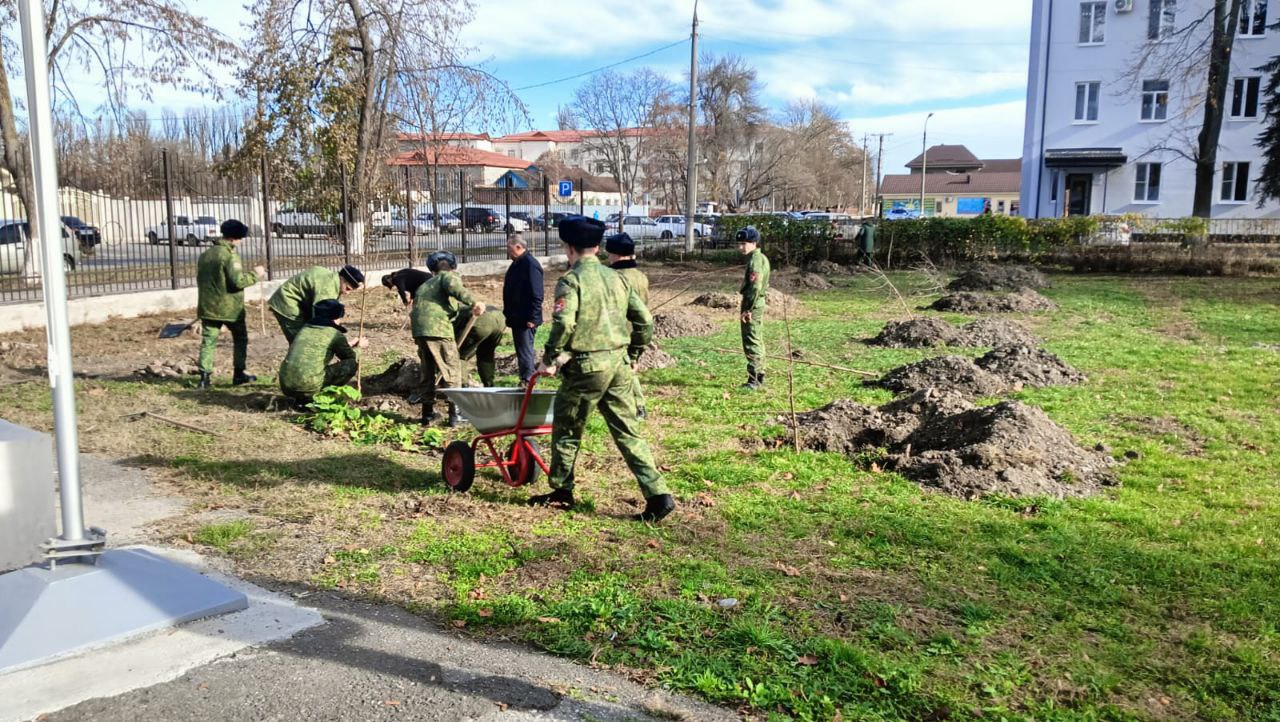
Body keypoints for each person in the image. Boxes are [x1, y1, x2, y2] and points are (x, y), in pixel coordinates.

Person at [530, 216, 675, 523]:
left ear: (568, 247)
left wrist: (550, 358)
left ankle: (561, 491)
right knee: (628, 432)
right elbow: (645, 322)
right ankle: (658, 494)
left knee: (567, 429)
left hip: (586, 367)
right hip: (619, 365)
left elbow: (565, 322)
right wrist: (633, 353)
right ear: (597, 247)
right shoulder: (618, 278)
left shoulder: (571, 281)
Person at [411, 251, 485, 426]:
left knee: (428, 371)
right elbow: (454, 287)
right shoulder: (446, 277)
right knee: (452, 368)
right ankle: (456, 415)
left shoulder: (426, 285)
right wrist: (475, 302)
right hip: (438, 329)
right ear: (451, 266)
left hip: (420, 330)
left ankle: (427, 415)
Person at [196, 219, 265, 389]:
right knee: (240, 338)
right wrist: (256, 274)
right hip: (230, 308)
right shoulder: (229, 255)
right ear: (236, 237)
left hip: (208, 306)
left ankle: (204, 378)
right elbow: (237, 282)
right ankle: (239, 373)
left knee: (208, 340)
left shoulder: (206, 254)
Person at [278, 299, 368, 405]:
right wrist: (359, 347)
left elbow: (319, 345)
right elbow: (349, 356)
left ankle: (300, 400)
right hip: (310, 386)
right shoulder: (334, 334)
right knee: (351, 364)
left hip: (286, 385)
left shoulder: (305, 329)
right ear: (335, 318)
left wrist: (349, 344)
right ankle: (322, 397)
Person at [605, 232, 649, 419]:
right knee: (628, 366)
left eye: (609, 254)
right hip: (638, 327)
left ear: (615, 254)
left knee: (626, 369)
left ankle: (638, 405)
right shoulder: (641, 276)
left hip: (619, 328)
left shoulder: (615, 277)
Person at [269, 265, 365, 343]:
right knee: (301, 342)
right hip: (287, 303)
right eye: (347, 288)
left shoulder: (331, 278)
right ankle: (298, 365)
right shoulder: (328, 288)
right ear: (342, 278)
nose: (347, 293)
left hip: (299, 303)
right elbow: (320, 319)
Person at [502, 233, 543, 384]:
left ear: (518, 247)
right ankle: (526, 378)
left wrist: (533, 317)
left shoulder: (530, 264)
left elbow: (537, 293)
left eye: (509, 247)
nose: (507, 251)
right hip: (517, 317)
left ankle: (528, 380)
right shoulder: (518, 263)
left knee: (525, 350)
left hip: (525, 318)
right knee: (522, 349)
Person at [737, 226, 771, 390]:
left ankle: (754, 379)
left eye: (744, 243)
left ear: (754, 243)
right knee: (756, 338)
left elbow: (755, 287)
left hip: (753, 304)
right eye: (740, 244)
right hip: (755, 303)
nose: (741, 247)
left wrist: (748, 309)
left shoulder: (756, 261)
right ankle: (759, 374)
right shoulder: (758, 258)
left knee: (752, 340)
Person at [454, 305, 507, 387]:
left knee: (460, 355)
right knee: (486, 355)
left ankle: (463, 385)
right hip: (500, 320)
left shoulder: (456, 314)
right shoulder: (465, 309)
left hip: (481, 322)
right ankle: (489, 384)